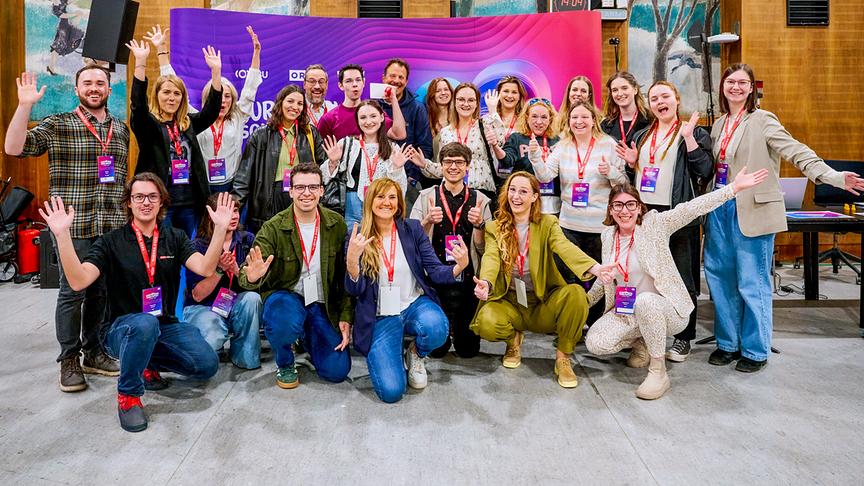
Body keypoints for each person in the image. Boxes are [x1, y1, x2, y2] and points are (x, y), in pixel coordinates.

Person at [39, 173, 233, 432]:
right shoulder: (111, 242)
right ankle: (129, 396)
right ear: (128, 203)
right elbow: (78, 281)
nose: (145, 202)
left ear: (162, 202)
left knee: (206, 364)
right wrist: (63, 236)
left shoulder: (174, 237)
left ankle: (146, 363)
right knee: (143, 324)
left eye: (152, 196)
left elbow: (206, 267)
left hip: (163, 326)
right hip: (121, 329)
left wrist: (220, 229)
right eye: (138, 197)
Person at [703, 63, 864, 372]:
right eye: (730, 81)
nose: (735, 87)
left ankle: (754, 349)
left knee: (753, 282)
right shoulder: (720, 124)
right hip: (720, 206)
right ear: (723, 87)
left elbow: (796, 151)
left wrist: (832, 176)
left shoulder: (763, 120)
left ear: (751, 89)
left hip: (753, 208)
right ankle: (727, 343)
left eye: (742, 82)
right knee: (720, 279)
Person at [586, 169, 768, 399]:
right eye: (618, 205)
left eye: (631, 204)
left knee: (646, 302)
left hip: (667, 310)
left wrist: (733, 188)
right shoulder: (607, 236)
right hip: (628, 310)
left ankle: (658, 371)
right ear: (610, 210)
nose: (625, 211)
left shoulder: (654, 225)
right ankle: (642, 341)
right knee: (596, 343)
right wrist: (583, 301)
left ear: (640, 208)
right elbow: (605, 279)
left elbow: (691, 208)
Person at [4, 66, 128, 391]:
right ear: (77, 89)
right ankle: (69, 358)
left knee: (101, 291)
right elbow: (15, 148)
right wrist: (24, 106)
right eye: (87, 82)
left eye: (100, 82)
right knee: (72, 293)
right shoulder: (59, 123)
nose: (94, 87)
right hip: (74, 226)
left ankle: (94, 351)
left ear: (108, 89)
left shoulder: (122, 129)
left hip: (110, 226)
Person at [470, 172, 614, 388]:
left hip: (544, 302)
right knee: (486, 322)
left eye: (523, 191)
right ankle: (513, 342)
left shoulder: (548, 223)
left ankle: (563, 357)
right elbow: (491, 258)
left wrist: (595, 268)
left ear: (535, 197)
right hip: (511, 302)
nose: (516, 196)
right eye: (512, 190)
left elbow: (564, 247)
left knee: (576, 294)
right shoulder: (494, 227)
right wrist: (487, 283)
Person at [345, 178, 469, 403]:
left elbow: (434, 269)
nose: (386, 202)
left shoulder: (411, 229)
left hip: (413, 305)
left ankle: (416, 353)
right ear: (370, 201)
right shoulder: (357, 236)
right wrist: (352, 261)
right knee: (391, 392)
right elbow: (354, 290)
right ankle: (392, 358)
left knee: (437, 328)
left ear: (399, 202)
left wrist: (459, 266)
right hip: (380, 317)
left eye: (392, 197)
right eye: (381, 197)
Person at [615, 81, 714, 362]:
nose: (660, 101)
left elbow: (705, 169)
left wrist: (690, 140)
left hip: (678, 213)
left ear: (676, 99)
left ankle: (684, 338)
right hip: (646, 216)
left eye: (665, 96)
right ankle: (648, 333)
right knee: (647, 276)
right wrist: (632, 163)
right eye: (654, 97)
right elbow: (638, 172)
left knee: (683, 277)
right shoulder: (643, 134)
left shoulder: (692, 132)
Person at [239, 163, 352, 389]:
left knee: (337, 371)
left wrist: (346, 315)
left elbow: (343, 277)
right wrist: (251, 277)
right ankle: (285, 359)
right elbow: (246, 273)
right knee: (283, 323)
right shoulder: (273, 227)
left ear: (322, 190)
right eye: (300, 187)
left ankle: (307, 338)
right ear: (290, 191)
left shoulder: (336, 223)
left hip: (321, 303)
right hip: (287, 298)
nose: (306, 193)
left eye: (313, 187)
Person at [530, 100, 626, 325]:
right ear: (569, 121)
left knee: (598, 279)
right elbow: (544, 177)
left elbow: (623, 183)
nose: (579, 121)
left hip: (600, 226)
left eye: (584, 117)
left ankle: (594, 324)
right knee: (568, 276)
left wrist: (611, 172)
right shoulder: (562, 146)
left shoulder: (608, 145)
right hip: (569, 225)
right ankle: (572, 321)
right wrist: (535, 157)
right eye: (575, 117)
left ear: (594, 120)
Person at [147, 24, 263, 194]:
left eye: (228, 96)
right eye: (218, 96)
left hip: (231, 185)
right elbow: (172, 84)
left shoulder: (238, 116)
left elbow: (250, 89)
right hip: (202, 185)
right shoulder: (195, 118)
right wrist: (162, 52)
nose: (223, 100)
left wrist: (256, 53)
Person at [126, 38, 224, 238]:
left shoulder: (187, 124)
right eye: (167, 92)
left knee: (188, 252)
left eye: (177, 93)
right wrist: (141, 63)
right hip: (160, 203)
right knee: (162, 253)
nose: (172, 97)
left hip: (190, 203)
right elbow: (138, 105)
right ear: (157, 95)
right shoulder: (149, 126)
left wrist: (216, 72)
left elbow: (211, 112)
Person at [410, 142, 493, 358]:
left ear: (468, 167)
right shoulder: (427, 196)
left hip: (468, 279)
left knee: (468, 351)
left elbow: (486, 249)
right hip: (436, 278)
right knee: (437, 351)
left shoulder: (481, 200)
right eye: (448, 162)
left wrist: (479, 227)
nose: (453, 166)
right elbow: (410, 239)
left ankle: (461, 331)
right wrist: (427, 221)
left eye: (459, 162)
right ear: (441, 165)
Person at [232, 84, 327, 233]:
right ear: (280, 102)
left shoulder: (310, 133)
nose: (294, 107)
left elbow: (323, 168)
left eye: (300, 103)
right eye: (290, 101)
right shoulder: (261, 135)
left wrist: (332, 162)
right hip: (270, 198)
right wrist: (234, 207)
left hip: (301, 194)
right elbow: (244, 177)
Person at [183, 193, 261, 370]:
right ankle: (213, 344)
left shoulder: (247, 240)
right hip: (203, 307)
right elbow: (197, 295)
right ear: (212, 216)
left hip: (234, 303)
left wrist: (235, 269)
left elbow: (255, 287)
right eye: (226, 211)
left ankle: (244, 355)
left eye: (236, 210)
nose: (233, 216)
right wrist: (218, 270)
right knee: (211, 343)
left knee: (251, 299)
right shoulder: (197, 246)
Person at [321, 100, 413, 229]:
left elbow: (399, 191)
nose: (368, 122)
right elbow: (324, 179)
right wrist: (333, 161)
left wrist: (397, 169)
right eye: (363, 117)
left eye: (373, 116)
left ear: (381, 117)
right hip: (351, 211)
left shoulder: (392, 148)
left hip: (381, 208)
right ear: (357, 121)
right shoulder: (347, 144)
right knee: (352, 246)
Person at [420, 83, 498, 202]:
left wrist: (493, 111)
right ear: (454, 102)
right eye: (461, 99)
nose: (465, 104)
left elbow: (501, 141)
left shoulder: (485, 125)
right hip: (451, 194)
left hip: (481, 191)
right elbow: (443, 169)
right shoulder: (446, 132)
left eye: (471, 100)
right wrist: (424, 164)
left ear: (477, 103)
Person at [494, 97, 561, 215]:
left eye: (544, 117)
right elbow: (507, 161)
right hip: (523, 203)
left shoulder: (557, 141)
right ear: (527, 117)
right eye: (534, 116)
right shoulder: (517, 138)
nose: (539, 122)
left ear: (550, 119)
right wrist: (495, 146)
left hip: (551, 205)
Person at [380, 58, 434, 189]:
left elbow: (425, 147)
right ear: (383, 78)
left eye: (401, 77)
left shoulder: (417, 108)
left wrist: (413, 177)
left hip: (409, 180)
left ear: (406, 81)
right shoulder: (373, 107)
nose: (396, 81)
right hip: (378, 178)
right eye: (392, 76)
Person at [316, 64, 406, 142]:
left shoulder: (374, 112)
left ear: (363, 82)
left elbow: (399, 134)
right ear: (341, 86)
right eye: (349, 81)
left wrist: (394, 100)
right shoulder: (328, 119)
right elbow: (321, 153)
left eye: (358, 80)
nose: (355, 84)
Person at [482, 75, 528, 156]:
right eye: (506, 91)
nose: (509, 96)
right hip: (492, 166)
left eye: (514, 92)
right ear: (499, 94)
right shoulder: (486, 119)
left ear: (520, 96)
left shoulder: (525, 120)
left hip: (518, 167)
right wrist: (493, 113)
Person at [600, 71, 651, 144]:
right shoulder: (605, 125)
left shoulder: (650, 120)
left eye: (624, 88)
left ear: (635, 90)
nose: (620, 93)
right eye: (615, 90)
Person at [303, 64, 338, 129]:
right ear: (304, 84)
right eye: (312, 81)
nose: (317, 86)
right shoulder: (297, 109)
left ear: (326, 84)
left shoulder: (334, 110)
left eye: (321, 81)